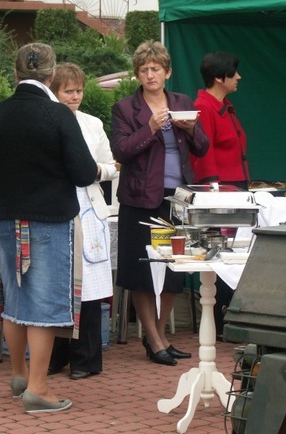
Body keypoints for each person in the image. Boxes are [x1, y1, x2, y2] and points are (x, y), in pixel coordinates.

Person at [0, 43, 98, 413]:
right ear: (52, 74)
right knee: (44, 305)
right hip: (49, 218)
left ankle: (20, 373)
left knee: (15, 299)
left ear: (16, 73)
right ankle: (39, 389)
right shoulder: (58, 114)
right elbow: (84, 172)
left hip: (6, 216)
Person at [111, 40, 209, 366]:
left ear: (167, 72)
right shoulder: (126, 108)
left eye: (156, 69)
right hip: (141, 200)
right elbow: (121, 151)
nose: (150, 75)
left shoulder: (182, 102)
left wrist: (192, 130)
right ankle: (152, 338)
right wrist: (150, 128)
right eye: (144, 69)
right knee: (144, 270)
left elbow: (202, 147)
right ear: (137, 74)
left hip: (176, 198)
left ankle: (160, 335)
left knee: (172, 270)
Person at [47, 63, 118, 380]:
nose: (75, 97)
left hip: (88, 206)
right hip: (56, 206)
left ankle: (86, 359)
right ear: (54, 92)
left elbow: (111, 165)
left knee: (89, 284)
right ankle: (55, 355)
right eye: (68, 91)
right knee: (56, 282)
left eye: (78, 91)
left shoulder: (92, 123)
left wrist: (96, 171)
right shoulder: (46, 121)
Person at [190, 51, 249, 338]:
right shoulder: (204, 107)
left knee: (234, 255)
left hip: (235, 189)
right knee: (222, 256)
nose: (238, 77)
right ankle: (220, 318)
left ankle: (231, 315)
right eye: (233, 73)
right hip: (221, 192)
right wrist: (213, 189)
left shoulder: (224, 105)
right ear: (218, 78)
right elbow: (204, 152)